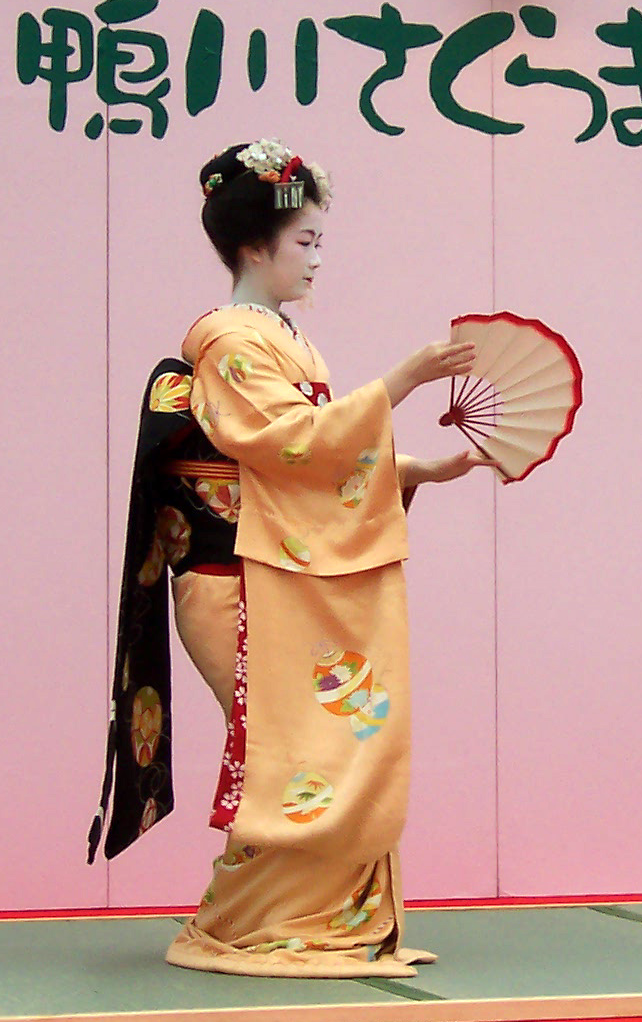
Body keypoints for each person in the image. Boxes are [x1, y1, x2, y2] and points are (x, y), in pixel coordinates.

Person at [88, 138, 494, 979]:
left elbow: (307, 462)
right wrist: (402, 381)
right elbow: (290, 444)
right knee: (292, 754)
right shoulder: (228, 340)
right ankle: (244, 927)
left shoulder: (282, 338)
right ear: (252, 246)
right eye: (304, 240)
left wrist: (410, 467)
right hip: (232, 573)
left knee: (345, 742)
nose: (317, 257)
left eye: (318, 240)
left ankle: (335, 924)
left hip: (277, 564)